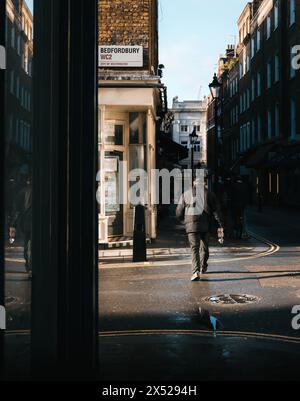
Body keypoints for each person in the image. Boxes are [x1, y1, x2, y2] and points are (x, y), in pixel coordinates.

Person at [176, 178, 224, 282]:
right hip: (206, 225)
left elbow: (179, 212)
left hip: (191, 226)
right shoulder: (209, 194)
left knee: (194, 248)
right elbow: (217, 211)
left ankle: (195, 272)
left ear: (193, 183)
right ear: (204, 184)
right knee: (204, 248)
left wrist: (184, 221)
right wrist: (220, 223)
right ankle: (203, 266)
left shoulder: (185, 194)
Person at [10, 176, 32, 277]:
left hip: (26, 223)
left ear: (27, 181)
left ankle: (29, 266)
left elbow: (17, 210)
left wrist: (13, 224)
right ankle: (31, 266)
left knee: (27, 244)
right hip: (38, 223)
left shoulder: (22, 192)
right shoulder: (42, 191)